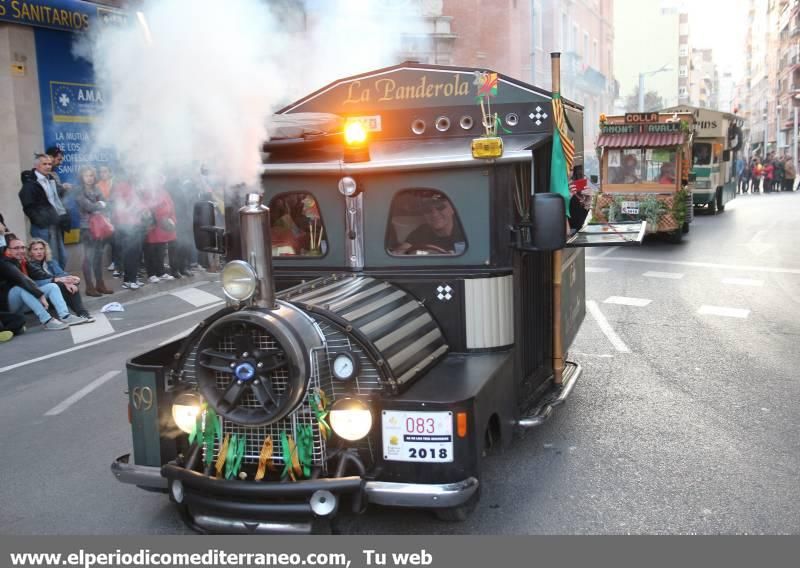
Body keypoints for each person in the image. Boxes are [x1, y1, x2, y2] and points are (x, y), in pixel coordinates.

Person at [0, 237, 86, 330]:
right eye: (16, 248)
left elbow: (40, 274)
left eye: (22, 247)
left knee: (52, 286)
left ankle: (65, 316)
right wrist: (40, 295)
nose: (20, 250)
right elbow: (22, 279)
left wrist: (61, 280)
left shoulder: (23, 261)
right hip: (8, 306)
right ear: (8, 250)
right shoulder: (4, 263)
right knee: (20, 288)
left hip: (23, 302)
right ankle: (47, 320)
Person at [18, 153, 70, 269]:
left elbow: (55, 200)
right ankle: (52, 283)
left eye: (50, 164)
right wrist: (40, 220)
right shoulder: (30, 183)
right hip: (42, 226)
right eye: (44, 164)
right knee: (46, 259)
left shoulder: (50, 179)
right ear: (37, 166)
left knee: (61, 257)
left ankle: (60, 281)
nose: (48, 166)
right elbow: (28, 206)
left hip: (55, 223)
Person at [27, 239, 94, 323]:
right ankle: (72, 315)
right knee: (62, 285)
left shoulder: (50, 262)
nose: (39, 252)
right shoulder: (30, 265)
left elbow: (62, 274)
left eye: (41, 249)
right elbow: (38, 282)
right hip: (43, 297)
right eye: (35, 249)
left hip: (56, 294)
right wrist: (63, 282)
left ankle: (83, 314)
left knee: (72, 286)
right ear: (30, 252)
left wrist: (73, 279)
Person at [75, 165, 113, 296]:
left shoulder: (96, 188)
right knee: (88, 258)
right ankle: (89, 287)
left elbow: (106, 202)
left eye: (91, 175)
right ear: (82, 177)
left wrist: (100, 204)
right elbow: (88, 206)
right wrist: (99, 204)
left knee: (98, 256)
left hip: (99, 227)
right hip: (87, 228)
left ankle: (100, 284)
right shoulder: (79, 190)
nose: (89, 178)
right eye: (86, 175)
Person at [393, 194, 465, 254]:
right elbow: (400, 252)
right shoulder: (421, 232)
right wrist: (427, 254)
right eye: (427, 210)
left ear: (453, 209)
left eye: (440, 207)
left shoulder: (466, 230)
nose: (434, 214)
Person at [110, 173, 146, 290]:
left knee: (136, 253)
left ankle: (133, 278)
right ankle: (128, 280)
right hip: (126, 225)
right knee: (130, 254)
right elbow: (121, 207)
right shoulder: (122, 187)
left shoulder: (134, 187)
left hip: (136, 224)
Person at [141, 174, 178, 283]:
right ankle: (151, 273)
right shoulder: (147, 192)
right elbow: (147, 208)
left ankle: (161, 272)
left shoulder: (164, 192)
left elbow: (171, 206)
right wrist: (159, 218)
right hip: (153, 226)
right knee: (151, 251)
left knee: (161, 251)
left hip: (163, 226)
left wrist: (172, 220)